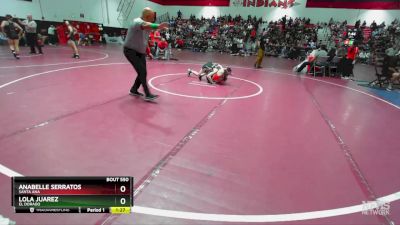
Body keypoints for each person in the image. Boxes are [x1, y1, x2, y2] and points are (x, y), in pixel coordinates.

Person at [123, 7, 169, 101]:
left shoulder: (148, 25)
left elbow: (144, 40)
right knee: (142, 72)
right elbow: (146, 25)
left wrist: (148, 53)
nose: (153, 19)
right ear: (147, 16)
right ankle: (147, 94)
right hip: (130, 50)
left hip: (140, 52)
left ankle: (134, 89)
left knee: (143, 71)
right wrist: (158, 26)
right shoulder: (137, 22)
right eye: (152, 17)